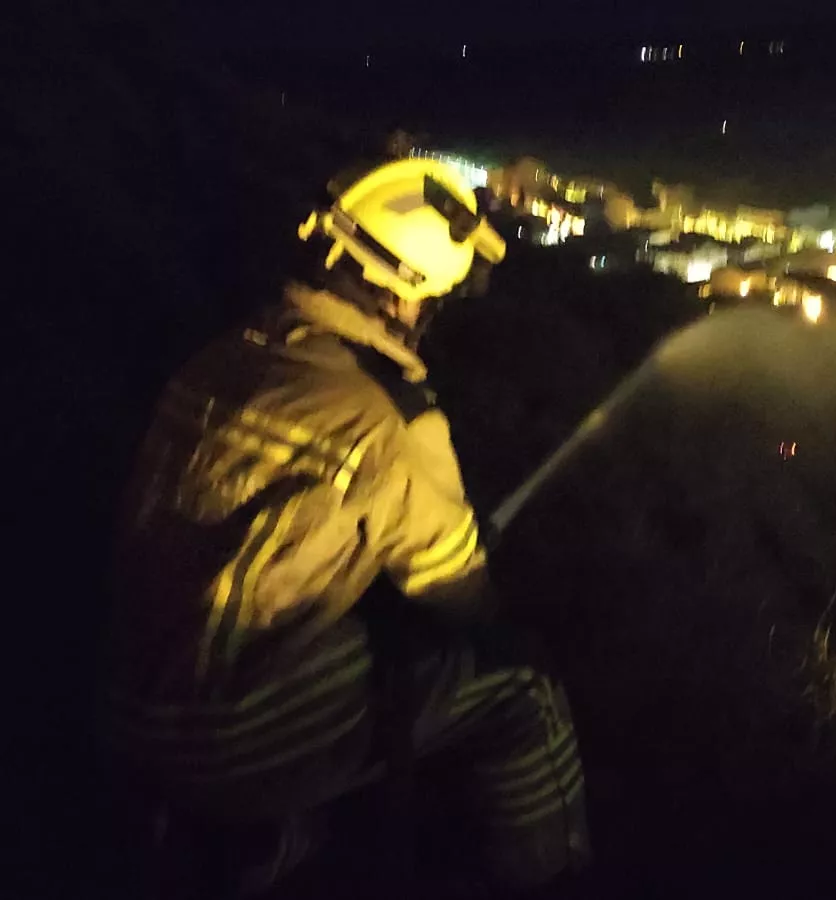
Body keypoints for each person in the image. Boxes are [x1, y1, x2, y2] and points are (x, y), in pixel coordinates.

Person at [100, 156, 589, 895]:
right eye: (433, 305)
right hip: (216, 737)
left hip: (117, 699)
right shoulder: (390, 419)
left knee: (355, 640)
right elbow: (463, 601)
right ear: (404, 297)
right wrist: (474, 562)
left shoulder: (223, 358)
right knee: (520, 685)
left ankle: (260, 841)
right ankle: (555, 879)